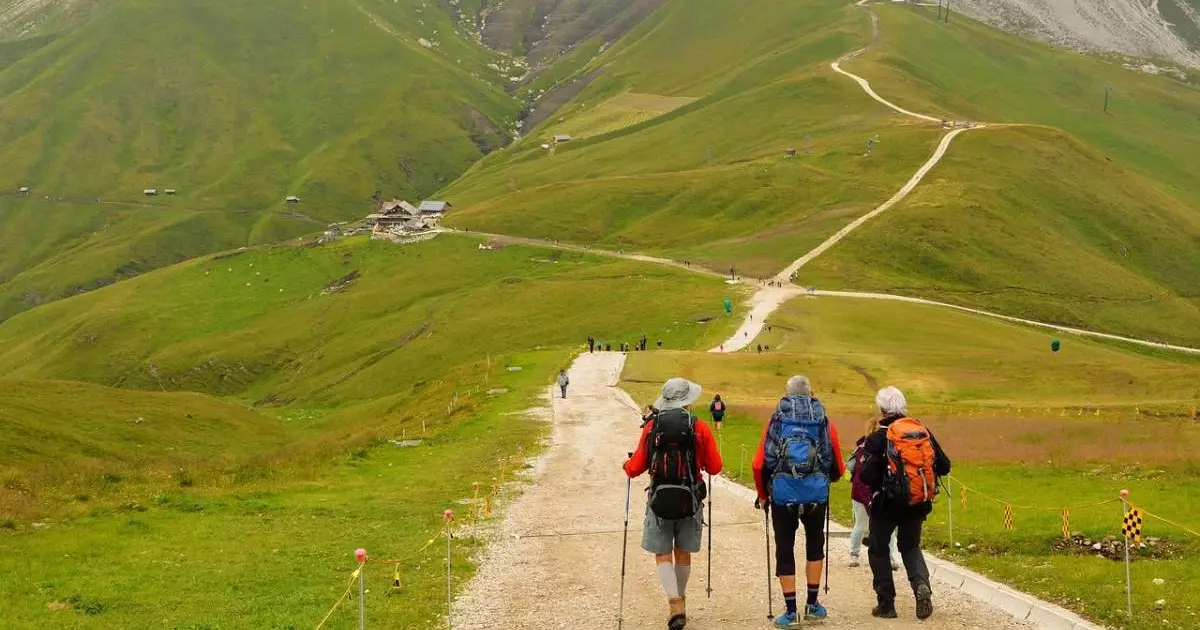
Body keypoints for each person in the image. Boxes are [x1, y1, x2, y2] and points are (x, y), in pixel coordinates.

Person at [624, 378, 723, 630]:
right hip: (690, 498)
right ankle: (681, 601)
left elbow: (636, 467)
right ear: (687, 401)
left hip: (659, 498)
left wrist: (627, 465)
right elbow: (715, 466)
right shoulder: (698, 427)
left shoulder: (651, 427)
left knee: (662, 553)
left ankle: (675, 604)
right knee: (683, 552)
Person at [752, 376, 844, 627]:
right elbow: (836, 464)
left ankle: (791, 612)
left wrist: (763, 494)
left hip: (783, 494)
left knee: (785, 548)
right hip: (816, 493)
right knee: (815, 545)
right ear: (811, 393)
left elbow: (760, 463)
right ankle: (813, 605)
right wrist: (827, 479)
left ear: (787, 394)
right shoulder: (823, 420)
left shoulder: (777, 420)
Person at [859, 386, 951, 620]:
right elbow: (945, 465)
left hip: (885, 505)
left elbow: (866, 476)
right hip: (917, 501)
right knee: (910, 546)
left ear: (881, 409)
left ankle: (886, 605)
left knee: (879, 550)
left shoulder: (878, 437)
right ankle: (921, 585)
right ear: (903, 407)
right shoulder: (921, 432)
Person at [847, 419, 899, 570]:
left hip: (878, 494)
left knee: (883, 526)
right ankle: (854, 553)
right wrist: (868, 502)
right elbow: (860, 480)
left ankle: (890, 557)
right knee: (862, 525)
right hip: (860, 496)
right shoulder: (863, 451)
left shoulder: (882, 449)